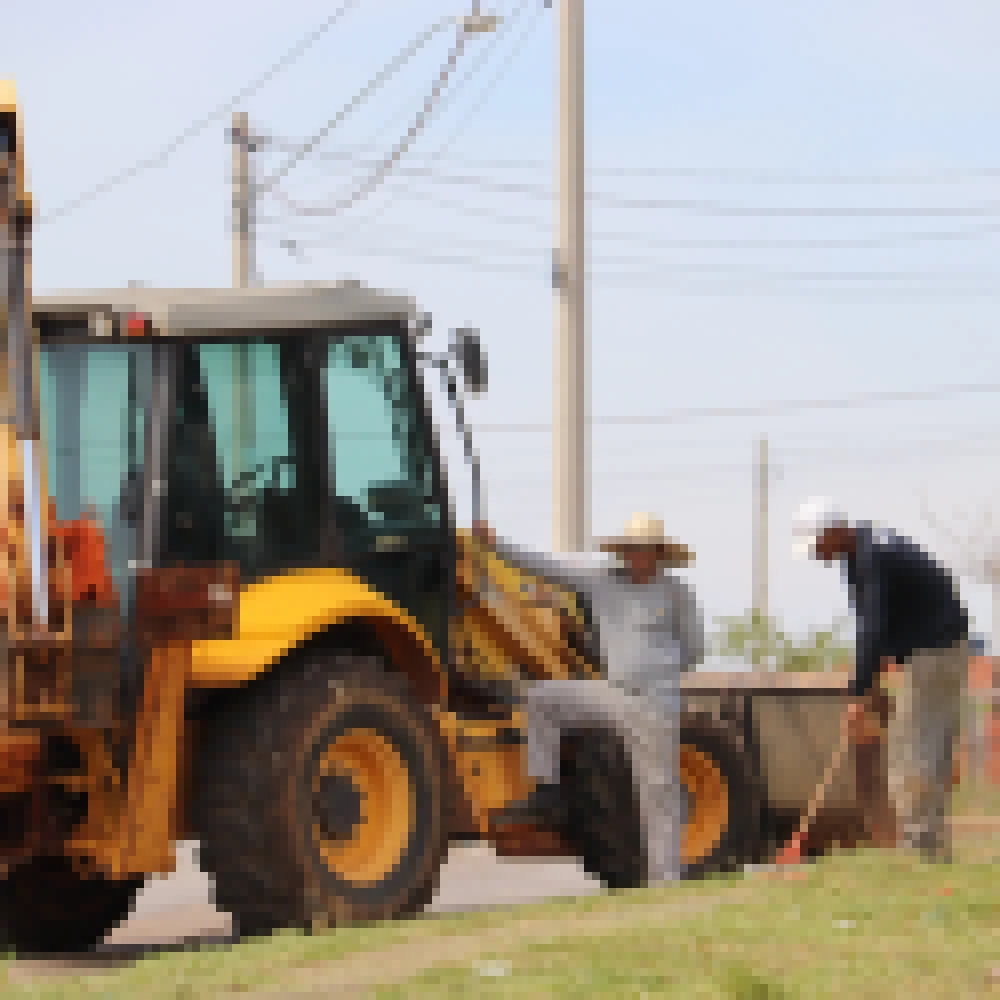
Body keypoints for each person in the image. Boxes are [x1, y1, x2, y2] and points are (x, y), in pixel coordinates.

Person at [473, 512, 705, 885]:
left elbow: (694, 649)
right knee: (544, 699)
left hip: (655, 704)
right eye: (631, 549)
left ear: (659, 553)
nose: (637, 557)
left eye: (645, 550)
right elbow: (545, 566)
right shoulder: (600, 581)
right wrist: (496, 544)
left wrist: (657, 672)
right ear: (624, 551)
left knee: (658, 792)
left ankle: (666, 883)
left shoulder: (677, 592)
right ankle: (546, 789)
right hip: (614, 693)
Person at [792, 497, 969, 862]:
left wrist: (858, 695)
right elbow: (874, 624)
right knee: (927, 749)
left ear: (834, 531)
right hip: (932, 650)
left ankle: (922, 848)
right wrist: (870, 681)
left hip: (934, 654)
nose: (816, 554)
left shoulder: (871, 557)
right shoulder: (863, 550)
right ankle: (929, 847)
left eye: (817, 544)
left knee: (912, 751)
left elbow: (872, 626)